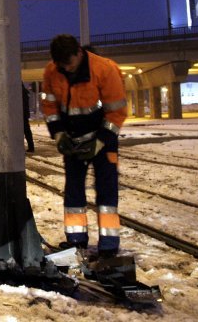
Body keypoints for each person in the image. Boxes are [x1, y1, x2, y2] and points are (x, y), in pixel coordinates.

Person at [41, 34, 128, 257]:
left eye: (69, 64)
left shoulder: (105, 69)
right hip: (72, 140)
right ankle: (76, 241)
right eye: (62, 66)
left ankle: (109, 245)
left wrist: (101, 141)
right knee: (73, 192)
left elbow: (116, 111)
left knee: (107, 193)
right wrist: (59, 134)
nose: (66, 70)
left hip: (102, 140)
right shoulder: (52, 71)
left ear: (79, 53)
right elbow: (50, 107)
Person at [22, 84, 35, 153]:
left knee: (24, 131)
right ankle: (31, 147)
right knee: (27, 131)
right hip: (24, 114)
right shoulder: (25, 92)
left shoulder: (19, 92)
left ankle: (29, 147)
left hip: (21, 114)